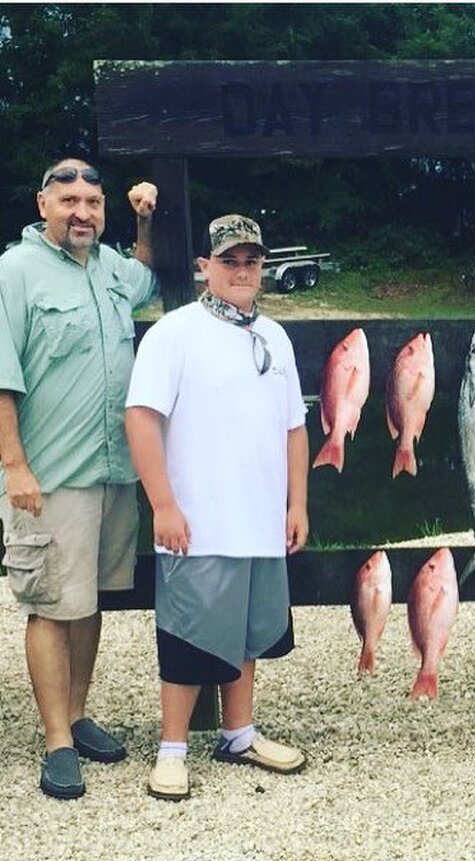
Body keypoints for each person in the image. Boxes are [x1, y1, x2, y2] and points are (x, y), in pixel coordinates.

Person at [125, 214, 309, 801]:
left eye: (251, 261)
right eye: (229, 260)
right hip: (197, 523)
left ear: (263, 267)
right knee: (187, 636)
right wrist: (163, 504)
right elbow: (141, 418)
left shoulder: (275, 337)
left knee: (250, 634)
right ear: (206, 266)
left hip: (260, 521)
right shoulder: (174, 333)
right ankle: (171, 750)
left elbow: (295, 427)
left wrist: (297, 504)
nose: (242, 270)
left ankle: (239, 734)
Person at [0, 157, 159, 800]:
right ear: (43, 206)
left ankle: (77, 712)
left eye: (93, 203)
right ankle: (56, 742)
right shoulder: (15, 271)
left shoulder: (111, 267)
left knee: (88, 600)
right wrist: (15, 467)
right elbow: (2, 377)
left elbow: (148, 278)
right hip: (49, 478)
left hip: (112, 472)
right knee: (49, 606)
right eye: (69, 201)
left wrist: (143, 223)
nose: (82, 213)